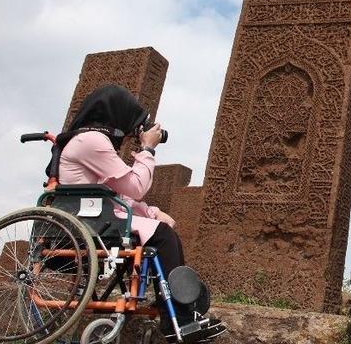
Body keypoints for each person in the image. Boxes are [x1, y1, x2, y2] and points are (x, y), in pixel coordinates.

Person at [55, 84, 225, 343]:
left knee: (162, 232)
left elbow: (120, 195)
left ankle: (176, 312)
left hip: (97, 216)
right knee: (164, 238)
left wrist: (154, 212)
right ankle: (177, 319)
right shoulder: (92, 140)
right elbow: (135, 187)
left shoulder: (89, 140)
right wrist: (147, 150)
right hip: (91, 222)